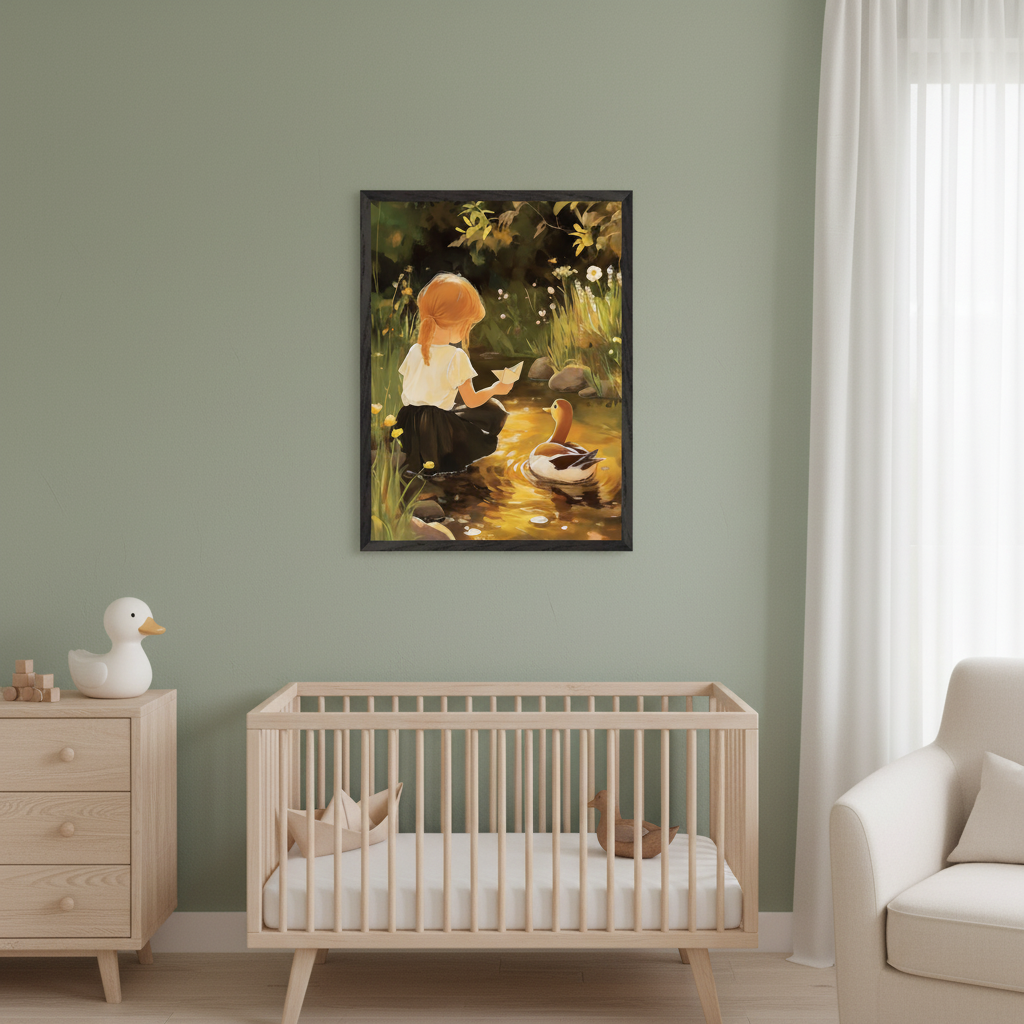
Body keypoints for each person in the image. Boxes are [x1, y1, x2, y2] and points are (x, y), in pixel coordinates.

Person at [395, 273, 513, 475]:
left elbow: (411, 390)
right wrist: (495, 389)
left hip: (407, 422)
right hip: (437, 430)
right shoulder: (455, 356)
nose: (469, 329)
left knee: (456, 409)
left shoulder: (415, 350)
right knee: (492, 412)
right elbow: (472, 401)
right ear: (458, 323)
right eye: (469, 324)